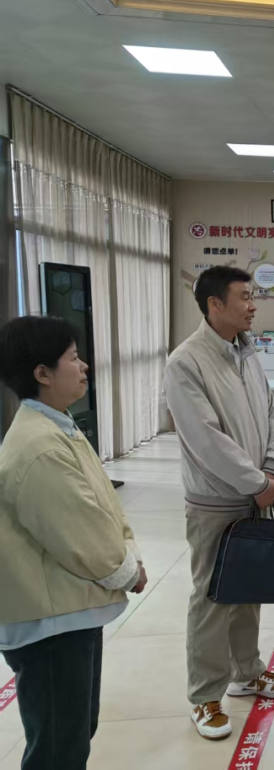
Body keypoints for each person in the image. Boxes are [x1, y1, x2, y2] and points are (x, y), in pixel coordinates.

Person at [0, 316, 148, 770]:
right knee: (58, 747)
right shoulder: (39, 445)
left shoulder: (55, 426)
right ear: (42, 373)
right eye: (73, 358)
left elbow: (102, 506)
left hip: (64, 612)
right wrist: (127, 569)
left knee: (73, 731)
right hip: (49, 622)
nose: (84, 367)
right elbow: (80, 532)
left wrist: (126, 550)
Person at [163, 266, 274, 741]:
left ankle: (248, 672)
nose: (253, 305)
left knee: (248, 589)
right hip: (216, 501)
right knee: (213, 597)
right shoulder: (186, 362)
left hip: (256, 492)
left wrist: (272, 469)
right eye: (244, 297)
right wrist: (255, 481)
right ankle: (204, 696)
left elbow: (271, 414)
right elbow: (205, 439)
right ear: (214, 304)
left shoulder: (247, 352)